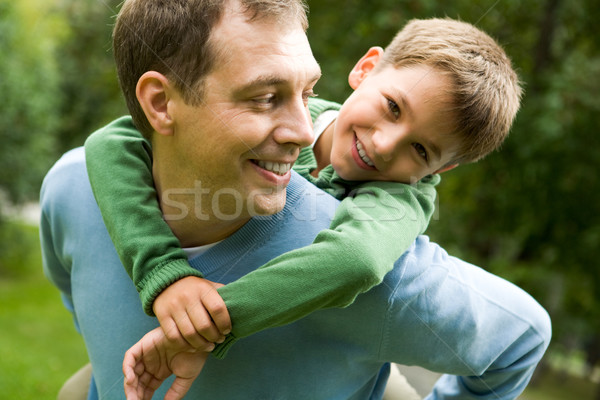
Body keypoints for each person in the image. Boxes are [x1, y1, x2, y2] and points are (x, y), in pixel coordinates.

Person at [40, 1, 551, 400]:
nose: (384, 144)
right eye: (392, 107)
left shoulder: (395, 212)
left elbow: (356, 260)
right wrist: (164, 276)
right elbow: (109, 142)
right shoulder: (72, 186)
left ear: (442, 169)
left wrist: (205, 324)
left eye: (421, 149)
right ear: (365, 69)